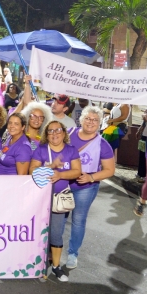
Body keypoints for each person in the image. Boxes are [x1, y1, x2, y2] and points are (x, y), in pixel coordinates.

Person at [30, 120, 82, 282]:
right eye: (50, 131)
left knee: (56, 234)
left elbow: (77, 171)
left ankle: (57, 267)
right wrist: (51, 166)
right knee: (39, 232)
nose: (54, 134)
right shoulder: (41, 150)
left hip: (59, 199)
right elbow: (32, 170)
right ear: (46, 135)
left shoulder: (71, 150)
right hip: (41, 198)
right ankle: (40, 265)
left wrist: (60, 175)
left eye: (58, 130)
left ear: (64, 132)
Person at [64, 106, 115, 269]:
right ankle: (52, 250)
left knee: (78, 220)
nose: (91, 122)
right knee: (58, 218)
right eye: (87, 118)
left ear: (100, 123)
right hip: (63, 184)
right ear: (81, 119)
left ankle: (73, 253)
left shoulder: (103, 144)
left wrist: (90, 177)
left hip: (85, 187)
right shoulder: (68, 133)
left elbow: (110, 170)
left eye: (95, 120)